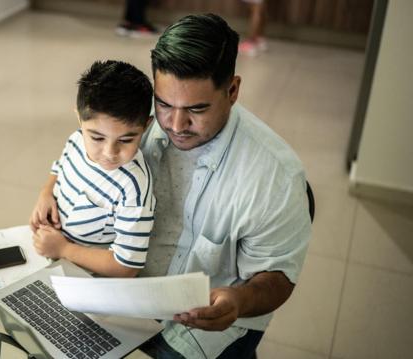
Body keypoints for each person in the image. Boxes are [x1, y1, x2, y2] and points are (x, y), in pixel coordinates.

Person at [138, 14, 311, 358]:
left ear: (232, 90)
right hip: (130, 293)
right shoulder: (140, 126)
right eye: (164, 104)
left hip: (204, 324)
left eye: (197, 109)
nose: (175, 125)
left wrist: (240, 300)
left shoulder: (274, 175)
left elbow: (277, 277)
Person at [29, 60, 156, 278]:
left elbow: (126, 267)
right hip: (52, 255)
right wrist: (46, 193)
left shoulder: (133, 188)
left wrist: (63, 249)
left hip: (89, 278)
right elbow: (59, 168)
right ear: (79, 118)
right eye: (97, 137)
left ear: (146, 125)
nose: (109, 152)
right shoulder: (77, 139)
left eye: (126, 139)